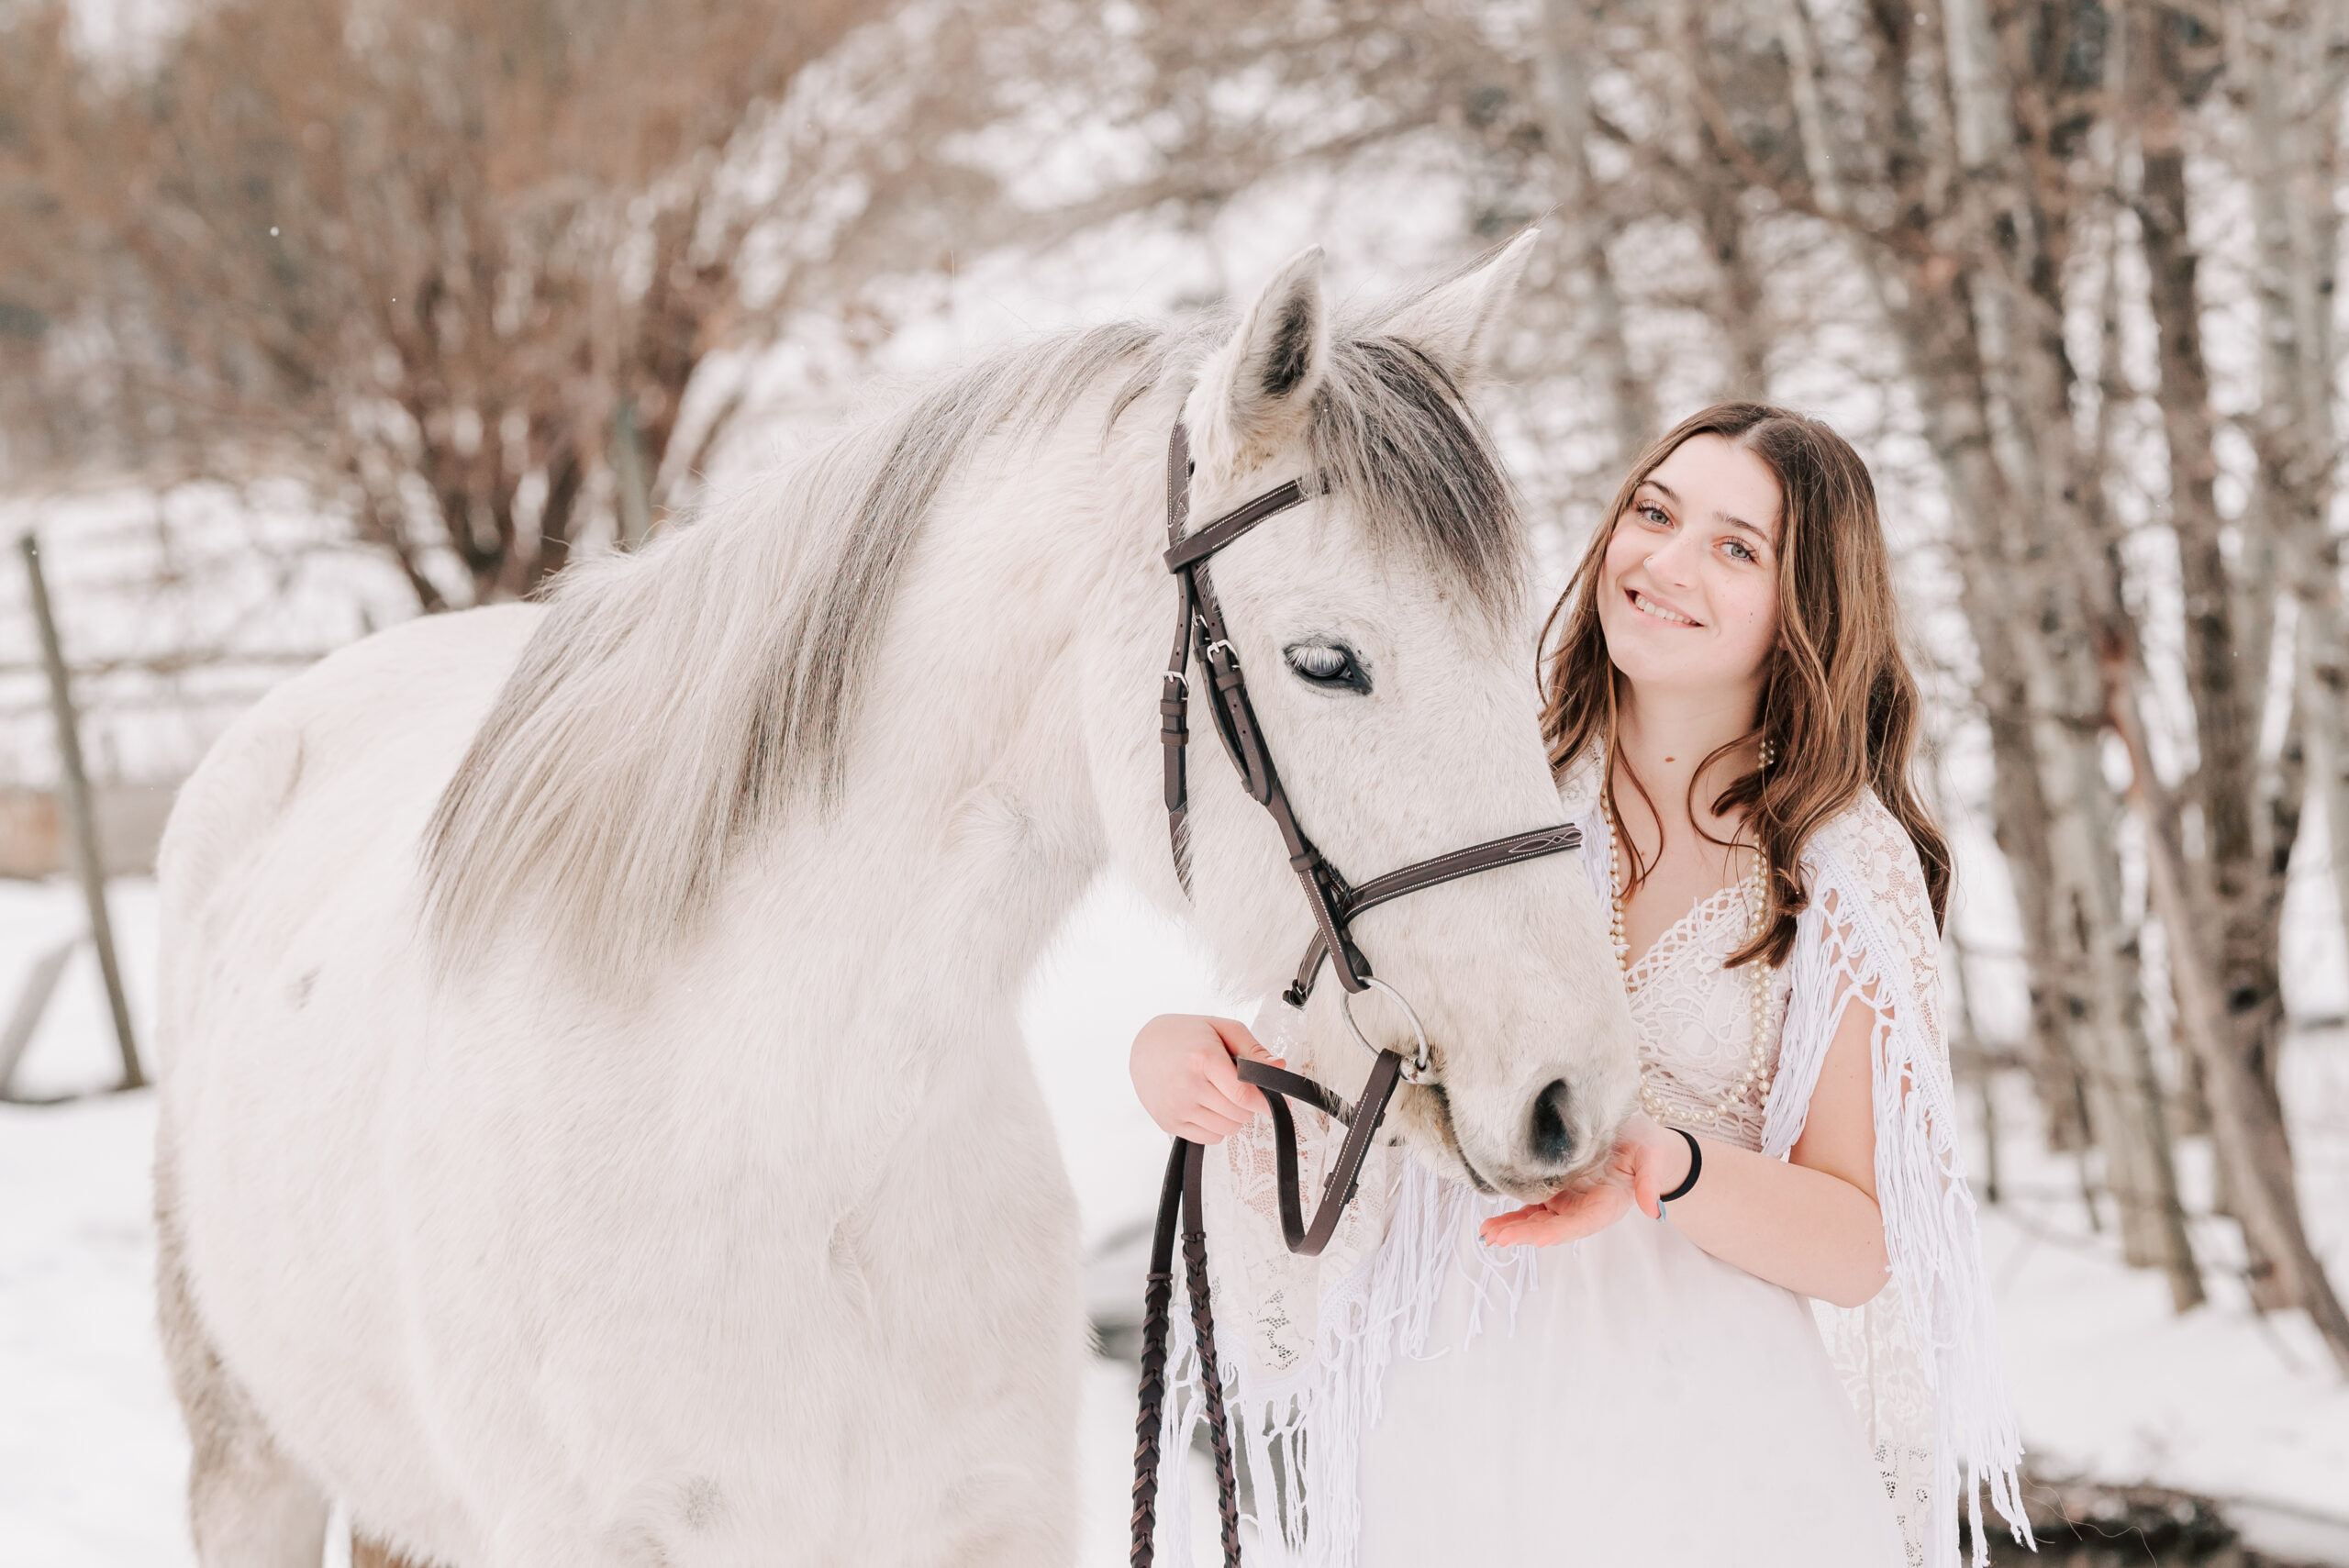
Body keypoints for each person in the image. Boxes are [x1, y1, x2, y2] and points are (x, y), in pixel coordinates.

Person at [1129, 403, 2028, 1568]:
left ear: (1805, 606)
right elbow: (1333, 1080)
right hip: (1450, 1407)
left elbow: (1857, 1240)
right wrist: (1188, 1060)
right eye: (1654, 512)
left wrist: (1668, 1163)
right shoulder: (1483, 790)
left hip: (1708, 1435)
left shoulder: (1839, 863)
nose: (1664, 560)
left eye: (1734, 545)